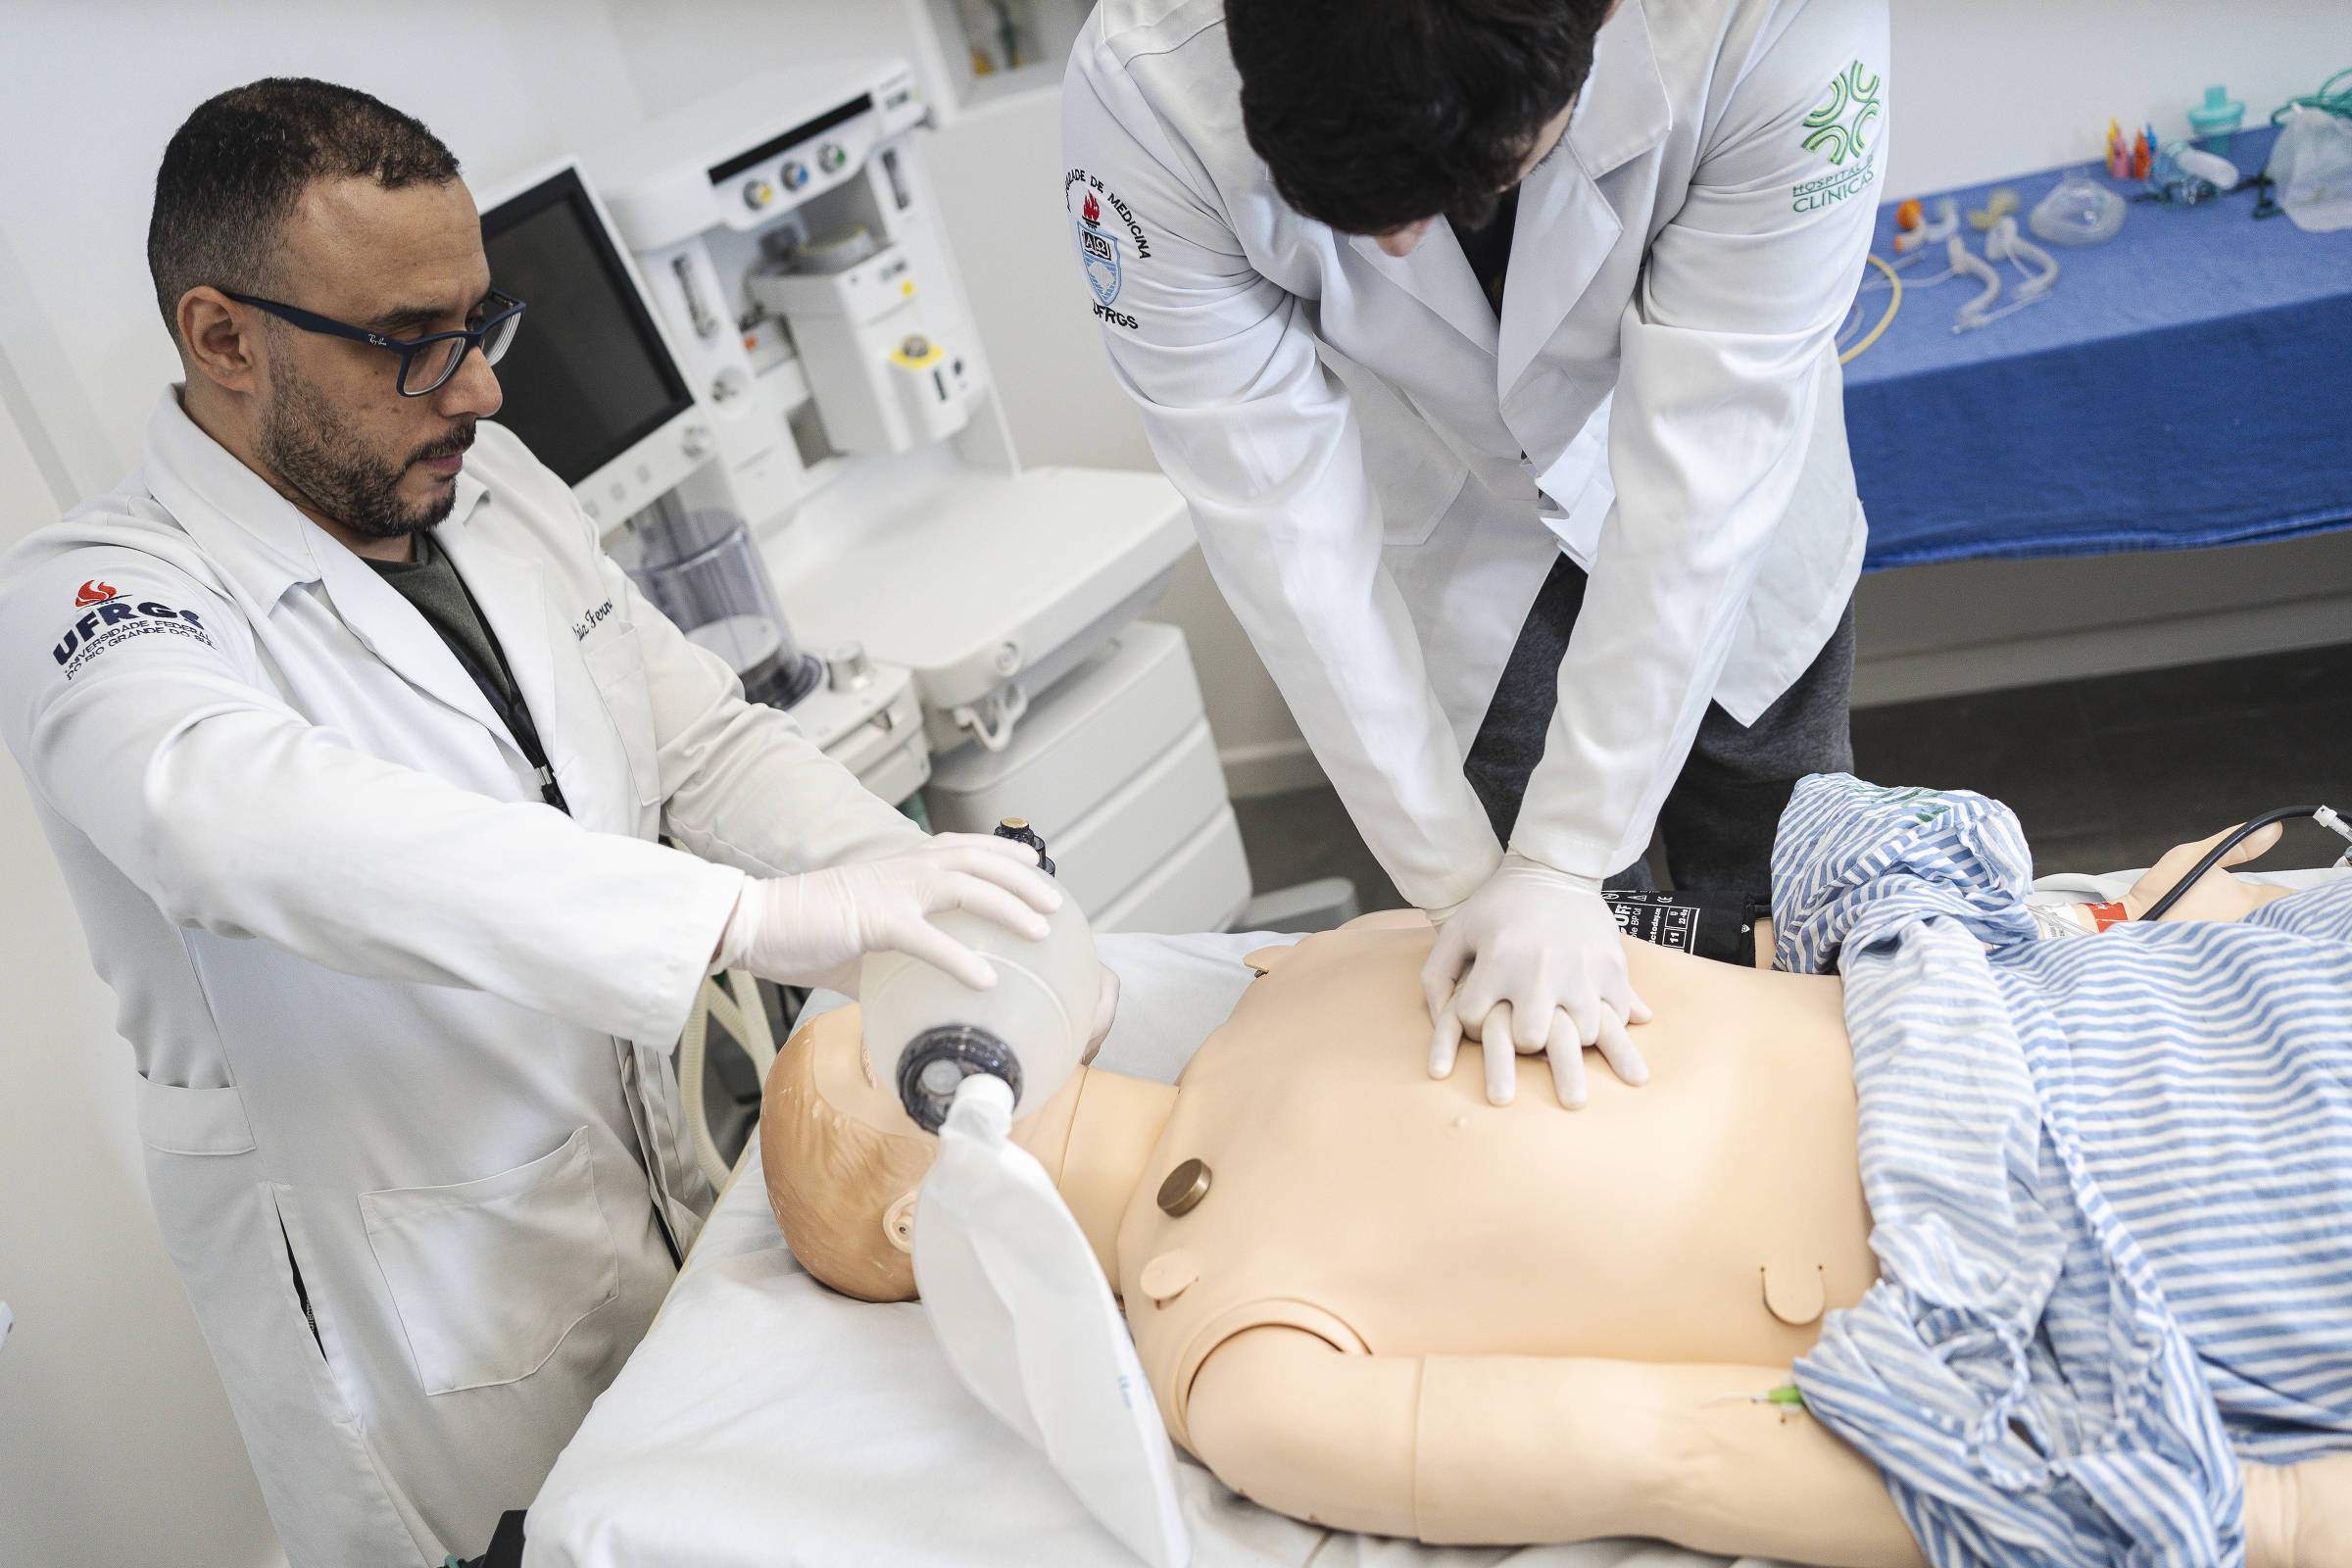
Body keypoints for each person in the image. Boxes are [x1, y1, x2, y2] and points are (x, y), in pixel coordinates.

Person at [0, 79, 1099, 1566]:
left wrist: (903, 882)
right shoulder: (98, 597)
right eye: (412, 342)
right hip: (426, 1317)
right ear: (223, 337)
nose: (481, 390)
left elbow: (692, 737)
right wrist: (742, 921)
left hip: (643, 1205)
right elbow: (228, 817)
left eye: (482, 322)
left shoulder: (479, 479)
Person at [764, 779, 2352, 1568]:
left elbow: (1716, 974)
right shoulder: (1239, 1358)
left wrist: (2092, 936)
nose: (937, 976)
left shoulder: (1291, 975)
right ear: (921, 1209)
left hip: (2057, 1006)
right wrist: (2253, 1519)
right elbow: (1670, 1454)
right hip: (2078, 1224)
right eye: (887, 1024)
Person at [1062, 0, 1888, 1105]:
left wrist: (1565, 859)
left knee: (1785, 916)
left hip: (1726, 504)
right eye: (1350, 217)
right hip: (1447, 506)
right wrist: (1470, 889)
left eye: (1458, 187)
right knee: (1532, 1013)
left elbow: (1706, 469)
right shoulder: (1150, 86)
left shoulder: (1773, 23)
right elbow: (1276, 523)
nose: (1398, 243)